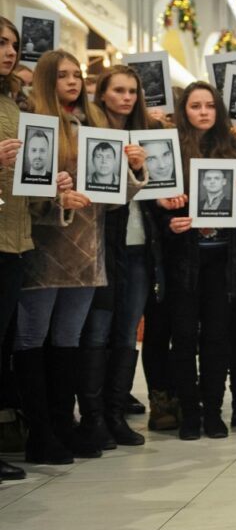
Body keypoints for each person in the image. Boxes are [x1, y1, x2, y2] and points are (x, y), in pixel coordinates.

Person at [14, 51, 115, 464]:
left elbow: (111, 197)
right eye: (63, 76)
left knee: (68, 342)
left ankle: (63, 421)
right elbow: (24, 190)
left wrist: (132, 172)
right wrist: (58, 199)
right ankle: (40, 430)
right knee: (31, 339)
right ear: (44, 80)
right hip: (43, 248)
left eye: (77, 75)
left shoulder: (91, 125)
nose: (73, 82)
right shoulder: (34, 124)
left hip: (88, 247)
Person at [156, 82, 236, 440]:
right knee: (183, 338)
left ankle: (214, 410)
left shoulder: (231, 149)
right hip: (184, 258)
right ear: (184, 110)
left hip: (223, 261)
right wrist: (170, 220)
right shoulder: (171, 150)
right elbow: (157, 207)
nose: (203, 112)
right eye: (195, 106)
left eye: (209, 106)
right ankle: (190, 412)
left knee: (217, 337)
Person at [78, 66, 164, 450]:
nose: (126, 97)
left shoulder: (147, 135)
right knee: (97, 330)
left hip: (139, 243)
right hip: (98, 244)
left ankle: (115, 412)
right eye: (118, 91)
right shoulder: (87, 133)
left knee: (128, 331)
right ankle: (93, 417)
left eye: (132, 91)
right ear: (102, 94)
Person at [0, 16, 50, 481]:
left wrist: (53, 182)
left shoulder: (14, 104)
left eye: (13, 44)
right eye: (0, 43)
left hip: (14, 238)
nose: (10, 51)